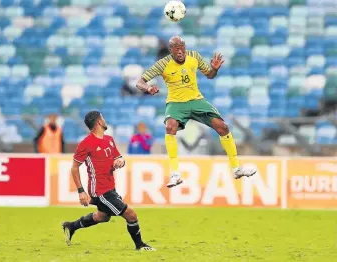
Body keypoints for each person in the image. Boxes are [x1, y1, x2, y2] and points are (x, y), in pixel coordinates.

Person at [136, 36, 257, 188]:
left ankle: (236, 168)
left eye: (182, 47)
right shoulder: (163, 64)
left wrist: (214, 69)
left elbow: (210, 75)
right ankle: (175, 173)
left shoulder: (194, 56)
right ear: (171, 50)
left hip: (196, 100)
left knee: (223, 127)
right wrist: (148, 88)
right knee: (169, 127)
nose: (180, 51)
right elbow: (139, 82)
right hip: (176, 103)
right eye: (176, 48)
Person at [62, 111, 155, 251]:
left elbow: (119, 158)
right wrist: (81, 191)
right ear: (99, 122)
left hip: (110, 187)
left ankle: (71, 226)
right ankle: (140, 245)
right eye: (103, 118)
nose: (105, 120)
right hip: (100, 191)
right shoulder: (86, 143)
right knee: (131, 214)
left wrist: (119, 162)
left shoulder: (109, 139)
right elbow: (74, 168)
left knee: (103, 216)